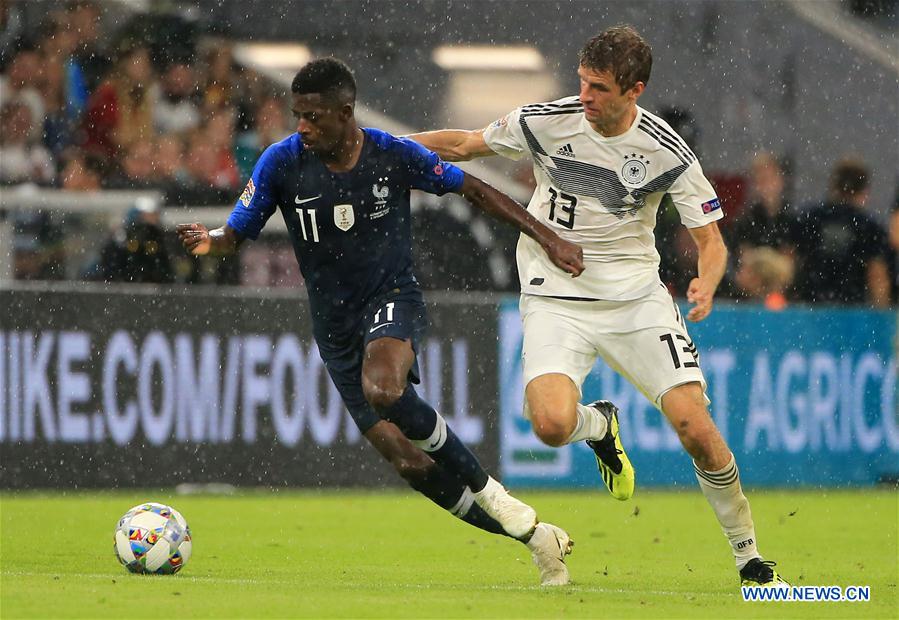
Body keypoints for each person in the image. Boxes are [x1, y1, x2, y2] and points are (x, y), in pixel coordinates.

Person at [177, 58, 585, 586]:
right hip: (335, 330)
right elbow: (237, 230)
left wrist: (547, 236)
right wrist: (210, 241)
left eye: (313, 117)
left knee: (385, 388)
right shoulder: (282, 162)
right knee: (409, 463)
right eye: (297, 115)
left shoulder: (393, 155)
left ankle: (496, 496)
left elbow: (475, 190)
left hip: (392, 298)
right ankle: (535, 537)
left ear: (346, 113)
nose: (302, 127)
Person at [410, 25, 788, 588]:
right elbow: (464, 143)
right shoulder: (546, 121)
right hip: (555, 294)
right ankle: (600, 426)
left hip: (635, 300)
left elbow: (710, 239)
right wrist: (372, 146)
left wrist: (707, 284)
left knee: (695, 429)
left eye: (600, 88)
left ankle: (750, 559)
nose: (584, 96)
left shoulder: (666, 152)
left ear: (634, 91)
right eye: (583, 81)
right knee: (550, 425)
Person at [792, 159, 892, 307]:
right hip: (851, 310)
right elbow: (876, 275)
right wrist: (882, 314)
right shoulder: (870, 226)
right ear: (864, 193)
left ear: (833, 187)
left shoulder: (809, 218)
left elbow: (790, 260)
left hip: (811, 306)